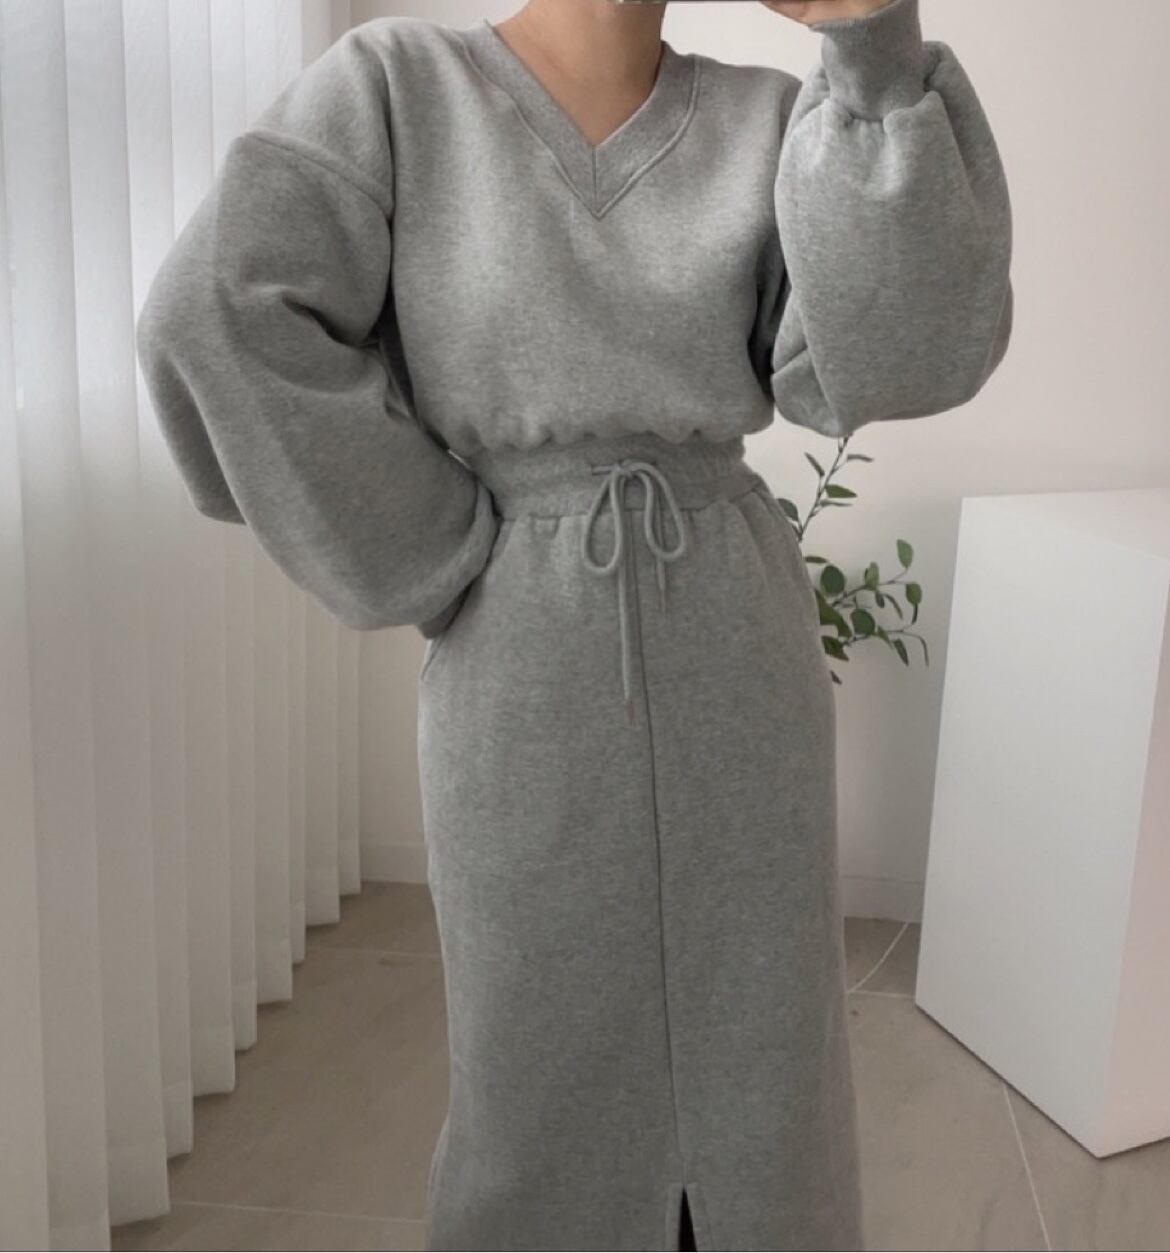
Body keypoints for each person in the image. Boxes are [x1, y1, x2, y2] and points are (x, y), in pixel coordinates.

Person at [134, 0, 1013, 1247]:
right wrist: (431, 549)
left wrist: (869, 42)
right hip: (520, 657)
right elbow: (216, 311)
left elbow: (906, 351)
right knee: (535, 1047)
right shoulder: (397, 88)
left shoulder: (772, 118)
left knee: (765, 1045)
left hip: (737, 647)